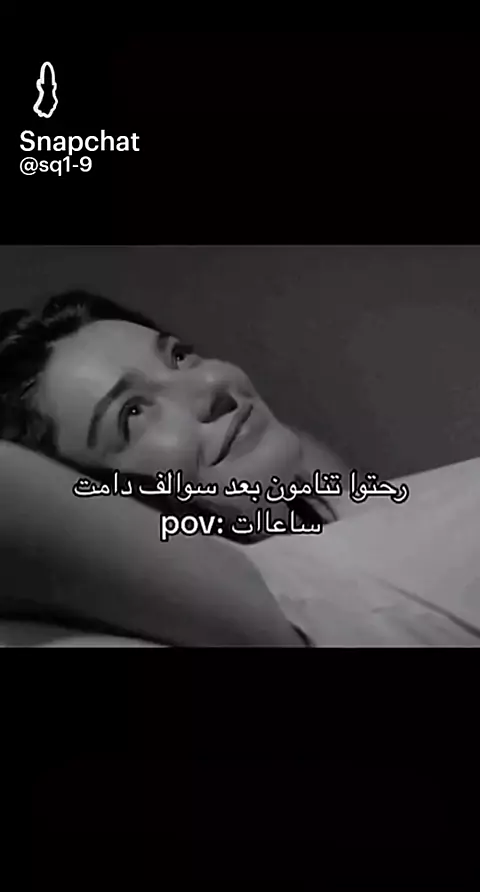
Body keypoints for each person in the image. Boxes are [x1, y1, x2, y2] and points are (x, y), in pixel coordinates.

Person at [1, 291, 480, 646]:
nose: (212, 383)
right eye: (133, 413)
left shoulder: (329, 498)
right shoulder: (264, 603)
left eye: (179, 356)